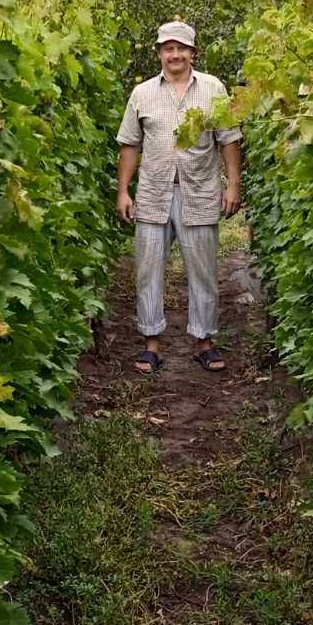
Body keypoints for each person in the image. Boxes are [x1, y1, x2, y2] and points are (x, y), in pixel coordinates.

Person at [115, 20, 243, 373]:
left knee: (202, 270)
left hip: (199, 192)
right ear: (159, 53)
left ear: (192, 53)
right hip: (153, 194)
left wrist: (233, 184)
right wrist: (124, 191)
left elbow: (228, 139)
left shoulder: (213, 89)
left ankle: (204, 341)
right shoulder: (142, 94)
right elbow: (129, 144)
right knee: (147, 269)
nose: (175, 55)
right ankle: (151, 344)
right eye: (168, 48)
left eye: (181, 48)